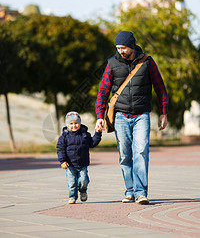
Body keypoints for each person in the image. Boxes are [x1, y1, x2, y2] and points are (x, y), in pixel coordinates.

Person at [95, 31, 168, 205]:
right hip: (120, 116)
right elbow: (103, 92)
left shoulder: (147, 62)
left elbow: (160, 88)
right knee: (125, 156)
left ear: (132, 46)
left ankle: (141, 192)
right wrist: (99, 116)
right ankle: (130, 191)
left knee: (141, 151)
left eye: (123, 48)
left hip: (142, 115)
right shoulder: (112, 64)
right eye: (118, 48)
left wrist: (164, 112)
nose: (120, 51)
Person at [57, 111, 102, 204]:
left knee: (83, 180)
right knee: (72, 183)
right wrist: (62, 161)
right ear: (67, 125)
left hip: (82, 163)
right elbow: (60, 149)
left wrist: (98, 133)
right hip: (70, 164)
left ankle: (83, 191)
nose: (74, 126)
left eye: (76, 123)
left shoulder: (85, 135)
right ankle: (72, 197)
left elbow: (92, 143)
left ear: (80, 123)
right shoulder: (64, 137)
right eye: (71, 124)